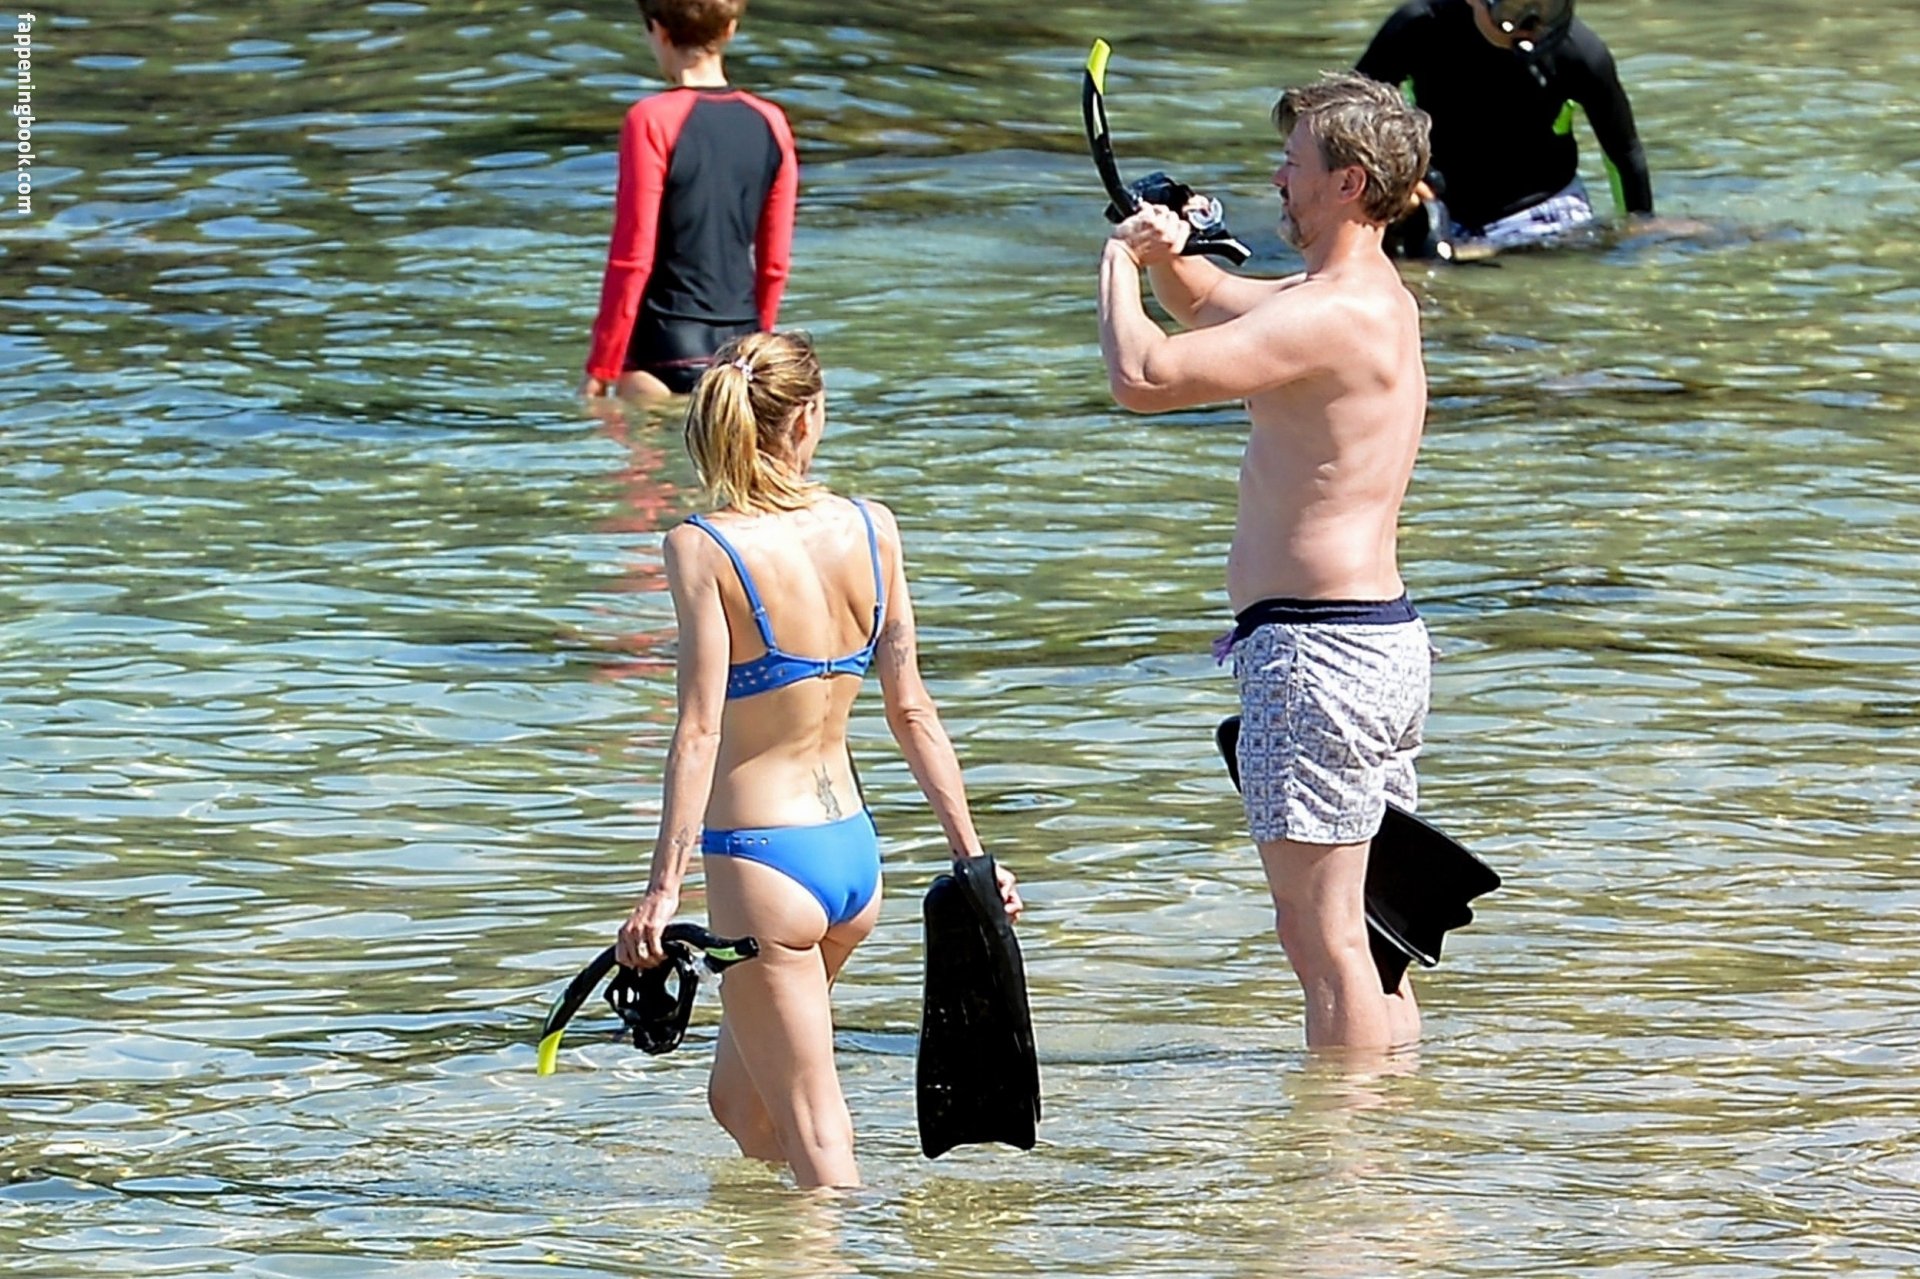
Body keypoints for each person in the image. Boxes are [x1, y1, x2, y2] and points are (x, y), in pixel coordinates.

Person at [613, 330, 1021, 1188]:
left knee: (815, 1130)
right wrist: (971, 856)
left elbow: (698, 730)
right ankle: (780, 1241)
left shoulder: (702, 546)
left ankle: (840, 1237)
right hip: (852, 858)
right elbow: (912, 710)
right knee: (741, 1102)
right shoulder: (872, 528)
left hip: (763, 862)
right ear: (806, 418)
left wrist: (662, 890)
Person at [1096, 72, 1433, 1053]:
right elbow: (1209, 301)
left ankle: (1342, 1142)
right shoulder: (1361, 299)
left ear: (1348, 182)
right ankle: (1398, 1123)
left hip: (1320, 658)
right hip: (1372, 646)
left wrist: (1116, 261)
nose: (1278, 179)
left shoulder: (1330, 315)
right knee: (1368, 938)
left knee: (1324, 939)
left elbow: (1142, 375)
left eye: (1295, 164)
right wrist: (1168, 252)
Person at [580, 0, 798, 402]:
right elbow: (774, 265)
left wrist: (601, 368)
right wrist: (759, 347)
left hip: (663, 347)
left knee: (643, 442)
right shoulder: (772, 121)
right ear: (730, 30)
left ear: (659, 31)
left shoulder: (651, 119)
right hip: (742, 351)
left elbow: (633, 258)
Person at [1356, 0, 1651, 254]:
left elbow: (1624, 153)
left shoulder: (1578, 51)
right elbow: (1351, 118)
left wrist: (1640, 227)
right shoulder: (1419, 27)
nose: (1531, 28)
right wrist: (1400, 181)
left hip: (1545, 216)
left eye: (1547, 9)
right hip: (1440, 210)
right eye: (1512, 11)